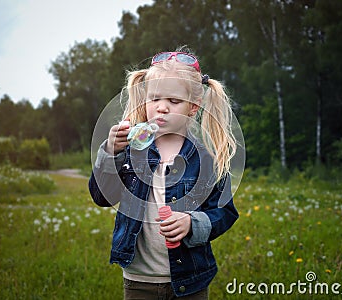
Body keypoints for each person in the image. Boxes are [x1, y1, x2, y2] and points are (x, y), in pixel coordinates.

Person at [89, 47, 239, 299]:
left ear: (193, 106)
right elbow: (102, 197)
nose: (162, 108)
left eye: (174, 101)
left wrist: (193, 223)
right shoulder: (130, 151)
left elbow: (225, 212)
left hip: (191, 279)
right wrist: (111, 151)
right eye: (155, 99)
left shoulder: (207, 159)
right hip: (139, 280)